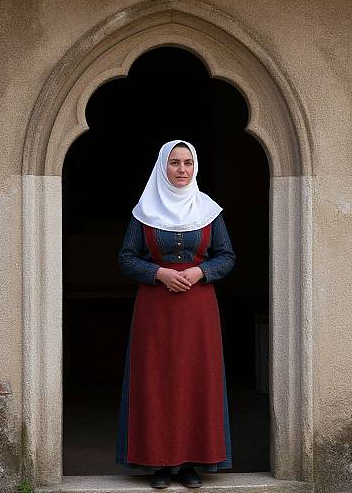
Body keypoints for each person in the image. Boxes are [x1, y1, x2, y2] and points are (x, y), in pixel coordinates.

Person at [115, 139, 236, 489]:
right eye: (174, 163)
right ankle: (159, 465)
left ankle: (190, 464)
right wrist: (159, 273)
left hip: (198, 310)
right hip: (156, 310)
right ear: (162, 167)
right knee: (156, 381)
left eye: (187, 163)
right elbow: (126, 257)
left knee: (196, 379)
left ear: (194, 167)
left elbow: (226, 256)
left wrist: (201, 272)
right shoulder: (144, 211)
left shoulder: (210, 210)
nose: (181, 170)